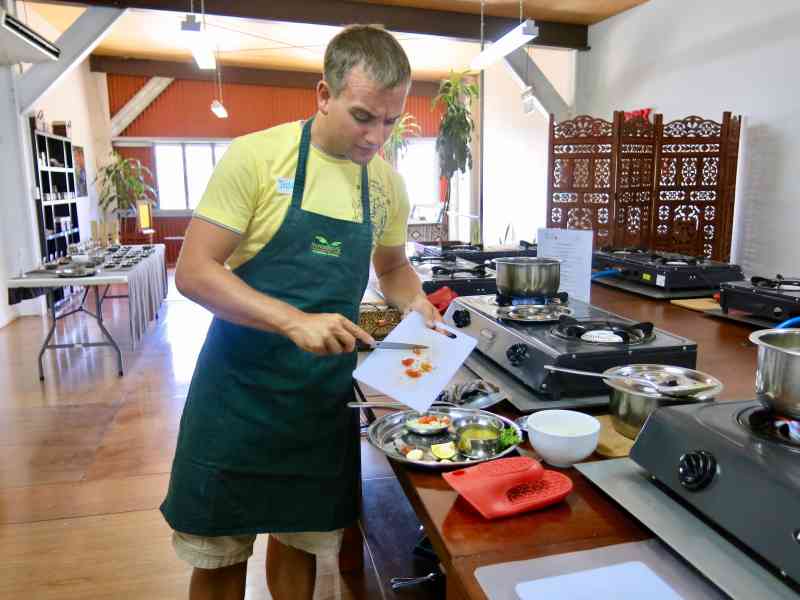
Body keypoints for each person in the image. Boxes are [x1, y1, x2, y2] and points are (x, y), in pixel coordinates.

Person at [160, 24, 442, 600]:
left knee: (301, 544)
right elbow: (194, 272)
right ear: (324, 95)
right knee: (219, 555)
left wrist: (414, 299)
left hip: (318, 402)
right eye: (363, 116)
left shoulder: (385, 184)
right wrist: (292, 320)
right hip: (236, 397)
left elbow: (391, 267)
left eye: (389, 122)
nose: (375, 137)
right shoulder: (258, 158)